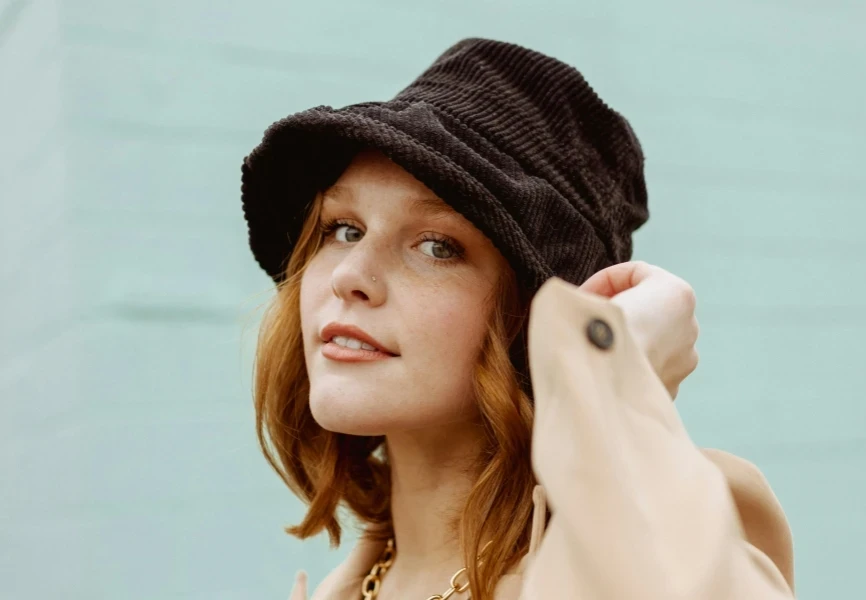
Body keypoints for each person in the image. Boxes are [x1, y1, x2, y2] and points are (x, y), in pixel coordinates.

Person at [240, 38, 795, 600]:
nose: (349, 274)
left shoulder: (669, 545)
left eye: (436, 246)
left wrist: (615, 374)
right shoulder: (360, 582)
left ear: (530, 314)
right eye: (343, 229)